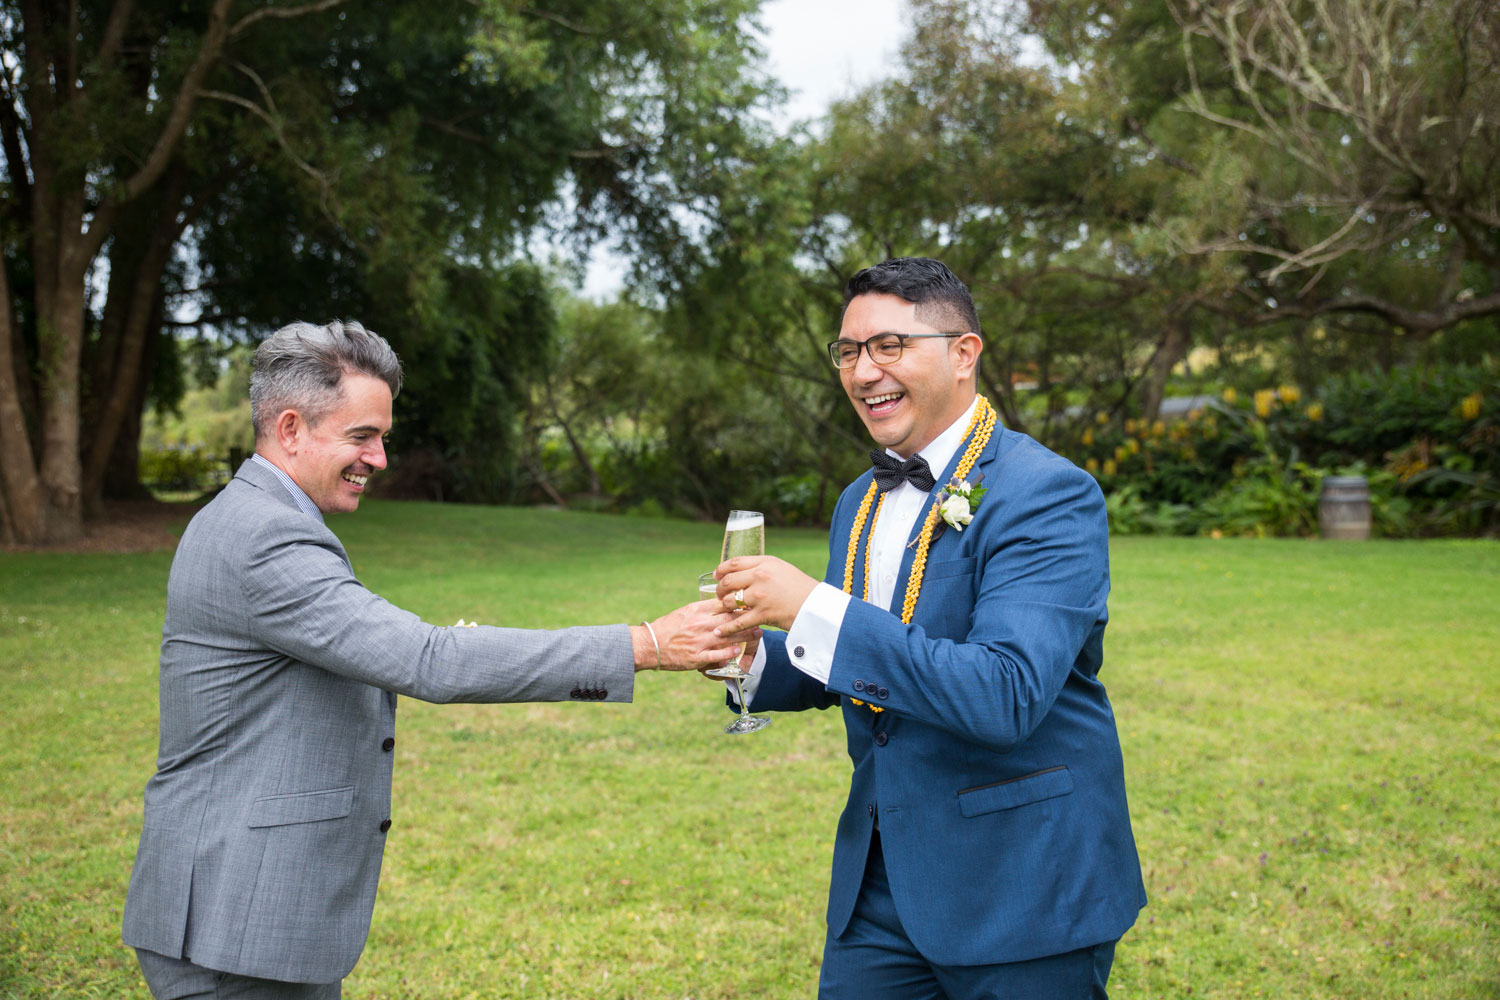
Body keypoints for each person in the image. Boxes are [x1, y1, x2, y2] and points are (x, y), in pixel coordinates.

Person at [122, 320, 741, 999]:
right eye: (362, 436)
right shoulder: (267, 539)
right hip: (229, 921)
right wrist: (646, 644)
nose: (380, 458)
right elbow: (429, 661)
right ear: (291, 429)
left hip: (237, 911)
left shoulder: (254, 517)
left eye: (381, 436)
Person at [713, 258, 1145, 998]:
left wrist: (813, 607)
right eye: (848, 352)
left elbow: (1003, 693)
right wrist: (750, 659)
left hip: (1024, 886)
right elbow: (868, 664)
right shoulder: (860, 499)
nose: (863, 371)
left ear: (964, 353)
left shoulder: (1049, 495)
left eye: (889, 346)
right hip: (879, 885)